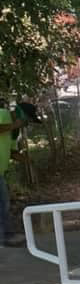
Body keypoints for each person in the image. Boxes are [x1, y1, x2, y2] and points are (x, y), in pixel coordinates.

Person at [0, 98, 27, 246]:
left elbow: (11, 152)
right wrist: (14, 124)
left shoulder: (12, 132)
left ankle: (6, 235)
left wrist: (26, 160)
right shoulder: (3, 114)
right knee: (2, 204)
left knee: (4, 203)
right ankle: (5, 237)